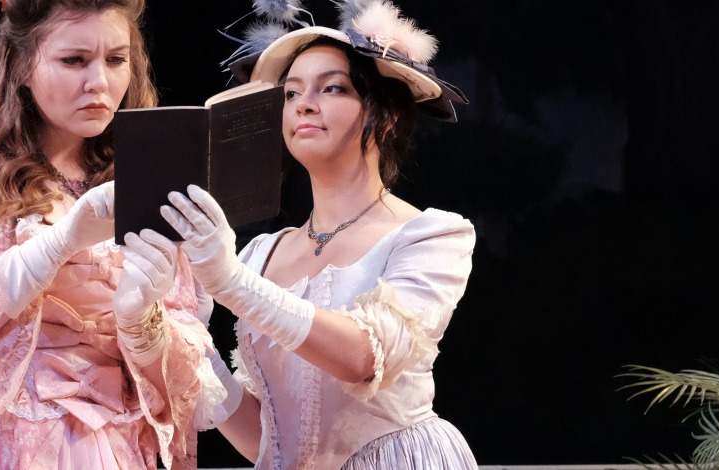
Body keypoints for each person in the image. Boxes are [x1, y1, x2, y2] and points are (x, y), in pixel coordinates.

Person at [0, 0, 220, 468]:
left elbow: (184, 383)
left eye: (116, 60)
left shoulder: (146, 181)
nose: (99, 82)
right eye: (74, 60)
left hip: (109, 448)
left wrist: (142, 322)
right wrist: (58, 245)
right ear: (19, 65)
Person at [160, 3, 479, 468]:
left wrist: (230, 282)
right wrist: (175, 334)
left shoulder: (430, 236)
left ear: (385, 114)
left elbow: (363, 358)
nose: (304, 103)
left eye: (333, 87)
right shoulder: (259, 255)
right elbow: (269, 441)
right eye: (291, 94)